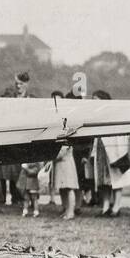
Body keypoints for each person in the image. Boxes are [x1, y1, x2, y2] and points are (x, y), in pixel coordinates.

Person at [48, 91, 80, 219]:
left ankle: (71, 211)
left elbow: (68, 141)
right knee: (62, 187)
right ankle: (66, 209)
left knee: (69, 186)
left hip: (65, 158)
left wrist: (57, 154)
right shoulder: (58, 119)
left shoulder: (69, 120)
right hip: (58, 158)